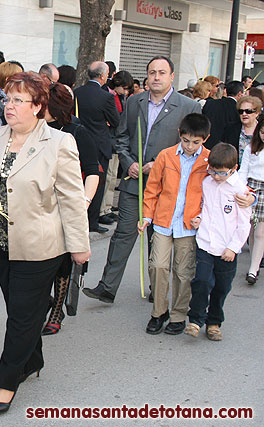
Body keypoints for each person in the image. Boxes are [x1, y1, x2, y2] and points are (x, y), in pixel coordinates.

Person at [0, 72, 90, 414]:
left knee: (20, 317)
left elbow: (71, 198)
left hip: (41, 246)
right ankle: (32, 359)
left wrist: (79, 245)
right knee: (19, 311)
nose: (10, 106)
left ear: (38, 107)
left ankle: (6, 383)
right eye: (8, 98)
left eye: (20, 100)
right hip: (0, 243)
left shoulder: (59, 143)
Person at [83, 56, 202, 304]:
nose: (156, 77)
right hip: (133, 182)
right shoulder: (135, 102)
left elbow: (191, 147)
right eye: (152, 72)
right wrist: (128, 162)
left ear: (171, 76)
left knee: (156, 238)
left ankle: (156, 287)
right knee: (123, 234)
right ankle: (107, 286)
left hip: (167, 186)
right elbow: (122, 136)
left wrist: (159, 162)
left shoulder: (189, 106)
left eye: (161, 73)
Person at [138, 114, 212, 335]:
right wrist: (146, 216)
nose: (190, 146)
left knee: (183, 271)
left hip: (189, 224)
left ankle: (179, 314)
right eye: (186, 140)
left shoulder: (209, 160)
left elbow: (222, 187)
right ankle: (159, 312)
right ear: (180, 134)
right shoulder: (166, 155)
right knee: (158, 266)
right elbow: (152, 189)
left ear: (205, 139)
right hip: (162, 220)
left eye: (196, 142)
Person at [42, 82, 99, 335]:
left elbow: (93, 172)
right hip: (41, 206)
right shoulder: (35, 129)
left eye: (44, 105)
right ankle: (44, 301)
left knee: (64, 261)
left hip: (69, 204)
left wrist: (83, 203)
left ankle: (57, 311)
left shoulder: (77, 132)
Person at [185, 144, 251, 341]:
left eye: (221, 173)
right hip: (206, 242)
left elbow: (243, 223)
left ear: (233, 169)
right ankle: (196, 320)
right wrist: (198, 218)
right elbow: (204, 207)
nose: (216, 176)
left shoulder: (240, 190)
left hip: (227, 248)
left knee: (222, 287)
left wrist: (233, 247)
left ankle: (214, 322)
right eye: (212, 171)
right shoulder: (207, 183)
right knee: (202, 281)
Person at [73, 61, 120, 233]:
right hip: (99, 144)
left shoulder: (77, 92)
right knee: (97, 183)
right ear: (102, 76)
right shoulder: (106, 97)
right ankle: (92, 221)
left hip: (78, 141)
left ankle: (79, 218)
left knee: (79, 181)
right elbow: (116, 121)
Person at [99, 70, 133, 227]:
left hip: (116, 141)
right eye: (124, 88)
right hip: (109, 140)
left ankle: (107, 207)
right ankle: (102, 209)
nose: (125, 92)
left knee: (112, 178)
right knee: (108, 176)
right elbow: (116, 119)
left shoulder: (119, 97)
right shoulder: (107, 94)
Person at [238, 116, 264, 284]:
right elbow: (243, 170)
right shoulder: (251, 148)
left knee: (260, 231)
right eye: (262, 132)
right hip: (252, 188)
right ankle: (255, 262)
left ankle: (253, 269)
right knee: (252, 230)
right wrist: (241, 190)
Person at [202, 80, 244, 150]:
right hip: (226, 150)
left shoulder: (210, 104)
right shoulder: (239, 110)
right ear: (239, 93)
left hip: (206, 145)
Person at [225, 96, 262, 163]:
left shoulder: (262, 130)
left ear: (257, 113)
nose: (244, 114)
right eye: (241, 111)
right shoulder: (231, 129)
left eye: (248, 111)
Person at [0, 61, 23, 128]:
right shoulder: (2, 100)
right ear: (8, 79)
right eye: (19, 78)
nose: (22, 81)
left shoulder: (1, 96)